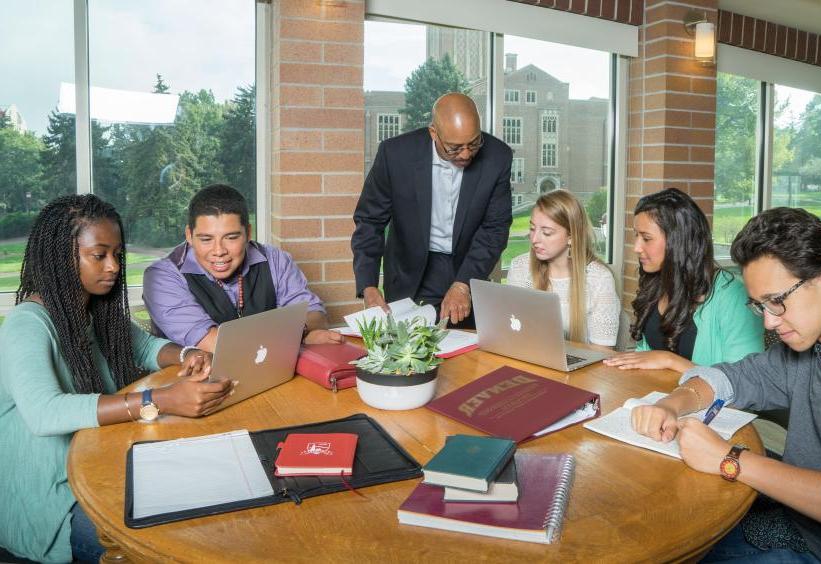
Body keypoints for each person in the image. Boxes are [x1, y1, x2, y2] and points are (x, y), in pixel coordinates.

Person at [631, 208, 821, 562]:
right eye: (759, 306)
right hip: (790, 524)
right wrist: (672, 403)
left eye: (777, 302)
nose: (768, 323)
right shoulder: (808, 345)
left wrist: (730, 459)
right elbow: (731, 377)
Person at [0, 195, 233, 564]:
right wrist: (160, 400)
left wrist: (190, 355)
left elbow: (145, 346)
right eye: (99, 255)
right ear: (62, 256)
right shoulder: (27, 324)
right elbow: (44, 412)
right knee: (166, 549)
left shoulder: (94, 310)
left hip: (100, 467)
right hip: (54, 498)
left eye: (118, 255)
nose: (113, 266)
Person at [352, 92, 513, 328]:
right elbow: (369, 221)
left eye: (474, 143)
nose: (466, 154)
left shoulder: (498, 156)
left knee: (466, 352)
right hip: (409, 271)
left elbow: (495, 229)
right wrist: (368, 286)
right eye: (454, 148)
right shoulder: (395, 154)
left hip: (466, 267)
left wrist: (462, 284)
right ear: (433, 133)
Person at [143, 184, 341, 352]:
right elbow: (211, 342)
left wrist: (307, 330)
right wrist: (297, 335)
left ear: (248, 232)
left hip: (271, 372)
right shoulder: (162, 277)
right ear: (189, 235)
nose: (219, 251)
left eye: (231, 238)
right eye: (206, 239)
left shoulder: (276, 260)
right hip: (195, 385)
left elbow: (314, 313)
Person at [604, 188, 763, 372]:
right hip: (657, 396)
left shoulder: (732, 295)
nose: (637, 247)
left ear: (678, 241)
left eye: (646, 238)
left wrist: (669, 360)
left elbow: (745, 381)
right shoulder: (655, 282)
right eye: (636, 235)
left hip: (705, 400)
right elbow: (644, 356)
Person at [506, 189, 620, 347]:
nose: (534, 239)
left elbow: (603, 352)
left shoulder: (599, 279)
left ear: (571, 237)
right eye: (532, 229)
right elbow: (510, 330)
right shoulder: (520, 267)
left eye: (546, 233)